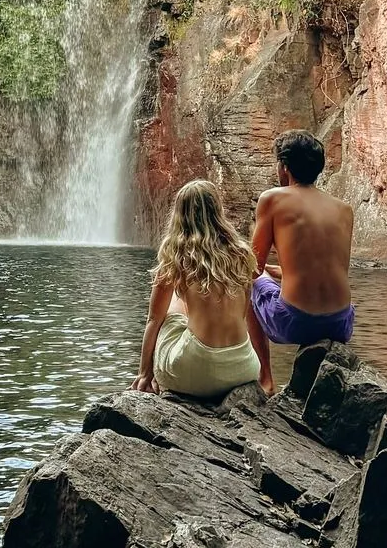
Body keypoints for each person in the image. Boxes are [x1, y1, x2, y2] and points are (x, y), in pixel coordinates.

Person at [247, 129, 355, 396]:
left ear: (284, 167)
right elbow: (333, 268)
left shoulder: (272, 199)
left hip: (295, 322)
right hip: (342, 323)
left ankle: (265, 378)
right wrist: (283, 272)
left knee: (247, 283)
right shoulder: (344, 209)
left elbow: (251, 268)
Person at [132, 179, 261, 400]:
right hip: (244, 368)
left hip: (194, 372)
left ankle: (154, 376)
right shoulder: (241, 252)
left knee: (172, 307)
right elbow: (242, 312)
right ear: (217, 210)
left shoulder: (177, 254)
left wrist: (144, 373)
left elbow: (154, 318)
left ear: (179, 214)